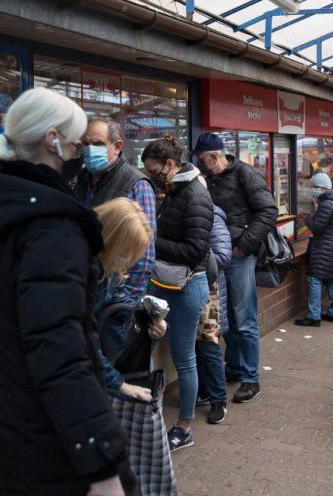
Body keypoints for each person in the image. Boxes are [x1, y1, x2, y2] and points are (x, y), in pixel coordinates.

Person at [0, 88, 130, 495]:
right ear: (53, 140)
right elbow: (61, 351)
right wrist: (103, 465)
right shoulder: (52, 228)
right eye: (78, 143)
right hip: (42, 451)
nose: (81, 153)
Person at [142, 136, 214, 451]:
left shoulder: (195, 195)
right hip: (162, 281)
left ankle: (184, 426)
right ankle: (146, 413)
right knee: (147, 346)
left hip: (186, 286)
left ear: (171, 166)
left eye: (156, 172)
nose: (153, 178)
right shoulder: (174, 190)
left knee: (184, 358)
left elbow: (196, 249)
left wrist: (151, 240)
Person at [197, 132, 277, 404]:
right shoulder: (208, 179)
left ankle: (251, 378)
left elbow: (268, 211)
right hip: (220, 257)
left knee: (244, 319)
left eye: (202, 160)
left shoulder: (245, 174)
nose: (200, 166)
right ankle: (233, 367)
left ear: (215, 156)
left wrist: (243, 246)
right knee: (227, 318)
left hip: (240, 256)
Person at [75, 116, 156, 362]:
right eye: (85, 143)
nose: (89, 150)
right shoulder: (81, 179)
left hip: (115, 302)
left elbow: (144, 252)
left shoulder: (136, 184)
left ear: (117, 146)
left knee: (114, 370)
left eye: (97, 143)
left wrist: (123, 302)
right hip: (86, 294)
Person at [92, 198, 163, 403]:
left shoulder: (107, 268)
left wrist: (149, 318)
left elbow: (122, 298)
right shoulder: (80, 272)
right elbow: (78, 340)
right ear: (111, 240)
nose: (129, 262)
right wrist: (117, 383)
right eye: (126, 253)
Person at [195, 201, 231, 425]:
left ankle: (219, 400)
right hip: (189, 286)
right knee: (195, 346)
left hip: (210, 291)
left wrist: (191, 259)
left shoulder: (214, 217)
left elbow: (223, 256)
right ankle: (205, 391)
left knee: (208, 345)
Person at [295, 172, 333, 327]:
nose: (314, 190)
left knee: (314, 279)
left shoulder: (327, 204)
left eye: (315, 187)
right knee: (331, 280)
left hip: (324, 248)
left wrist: (305, 218)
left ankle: (314, 316)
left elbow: (317, 227)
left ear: (322, 187)